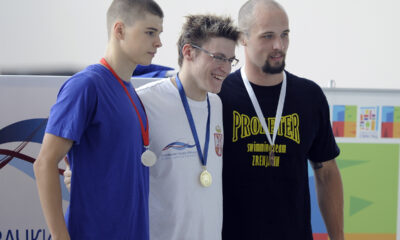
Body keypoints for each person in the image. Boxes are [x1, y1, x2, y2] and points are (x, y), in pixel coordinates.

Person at [64, 14, 239, 240]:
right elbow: (109, 162)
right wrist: (80, 177)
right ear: (188, 52)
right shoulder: (144, 102)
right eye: (218, 57)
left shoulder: (216, 104)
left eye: (230, 60)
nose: (225, 69)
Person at [33, 0, 163, 239]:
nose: (158, 43)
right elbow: (44, 164)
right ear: (120, 30)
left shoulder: (131, 93)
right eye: (150, 32)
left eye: (159, 33)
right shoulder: (86, 86)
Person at [218, 1, 344, 240]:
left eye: (284, 35)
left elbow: (326, 173)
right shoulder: (219, 95)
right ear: (242, 38)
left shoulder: (310, 97)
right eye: (267, 36)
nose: (279, 46)